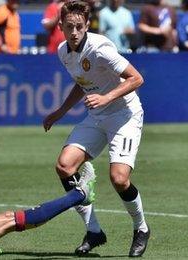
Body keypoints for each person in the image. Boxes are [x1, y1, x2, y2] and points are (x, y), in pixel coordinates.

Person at [42, 1, 149, 257]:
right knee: (65, 166)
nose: (75, 32)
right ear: (61, 27)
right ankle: (94, 230)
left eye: (80, 26)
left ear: (87, 26)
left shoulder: (100, 48)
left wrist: (106, 98)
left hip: (125, 115)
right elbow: (83, 83)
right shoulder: (62, 51)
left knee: (119, 179)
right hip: (97, 116)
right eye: (70, 27)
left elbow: (136, 78)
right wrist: (60, 112)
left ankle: (141, 228)